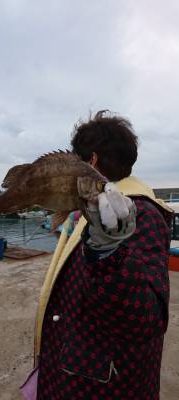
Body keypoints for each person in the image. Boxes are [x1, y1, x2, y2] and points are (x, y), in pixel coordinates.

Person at [21, 111, 173, 400]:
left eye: (73, 161)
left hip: (100, 386)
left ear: (91, 162)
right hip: (69, 376)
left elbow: (147, 320)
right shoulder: (87, 213)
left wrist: (109, 253)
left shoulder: (141, 215)